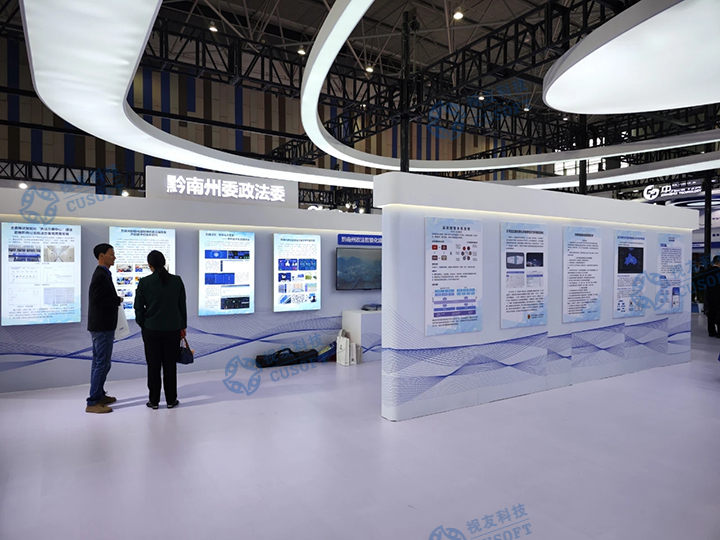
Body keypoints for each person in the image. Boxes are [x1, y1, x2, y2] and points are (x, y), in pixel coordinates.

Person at [134, 250, 187, 409]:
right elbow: (181, 306)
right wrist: (182, 326)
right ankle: (171, 400)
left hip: (151, 330)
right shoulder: (177, 281)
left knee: (153, 366)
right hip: (172, 329)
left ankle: (154, 401)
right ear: (164, 263)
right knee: (170, 366)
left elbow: (138, 308)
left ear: (149, 265)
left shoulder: (144, 282)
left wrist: (143, 324)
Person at [86, 243, 122, 413]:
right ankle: (93, 401)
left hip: (102, 325)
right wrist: (116, 300)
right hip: (102, 326)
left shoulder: (103, 274)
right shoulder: (100, 275)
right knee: (102, 363)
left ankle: (99, 395)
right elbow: (98, 300)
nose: (114, 257)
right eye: (111, 254)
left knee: (100, 362)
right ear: (102, 256)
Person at [703, 255, 720, 337]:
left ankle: (711, 331)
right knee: (719, 313)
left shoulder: (707, 271)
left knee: (711, 313)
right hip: (719, 296)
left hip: (709, 295)